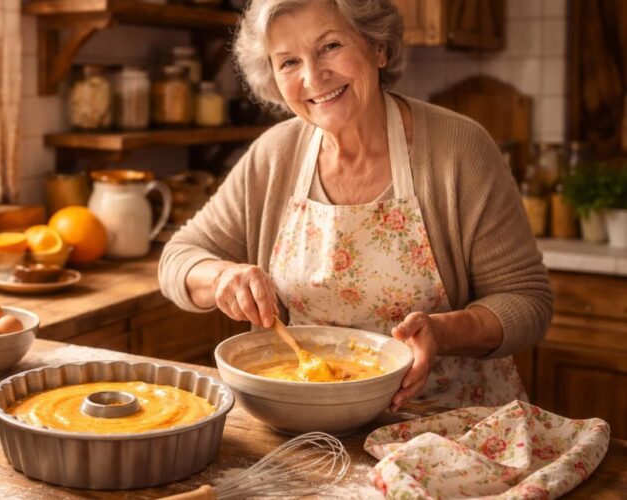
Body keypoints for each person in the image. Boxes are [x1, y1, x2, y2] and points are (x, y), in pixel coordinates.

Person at [159, 0, 552, 410]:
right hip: (316, 428)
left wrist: (444, 332)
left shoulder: (459, 149)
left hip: (454, 425)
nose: (314, 77)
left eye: (330, 46)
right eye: (289, 61)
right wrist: (221, 276)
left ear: (378, 48)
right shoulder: (274, 156)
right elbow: (178, 258)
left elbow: (527, 300)